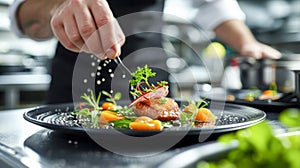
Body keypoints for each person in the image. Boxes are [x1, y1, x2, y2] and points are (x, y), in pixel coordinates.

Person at [9, 0, 281, 104]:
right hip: (74, 85)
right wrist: (59, 7)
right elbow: (22, 15)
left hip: (152, 74)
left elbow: (212, 3)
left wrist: (246, 43)